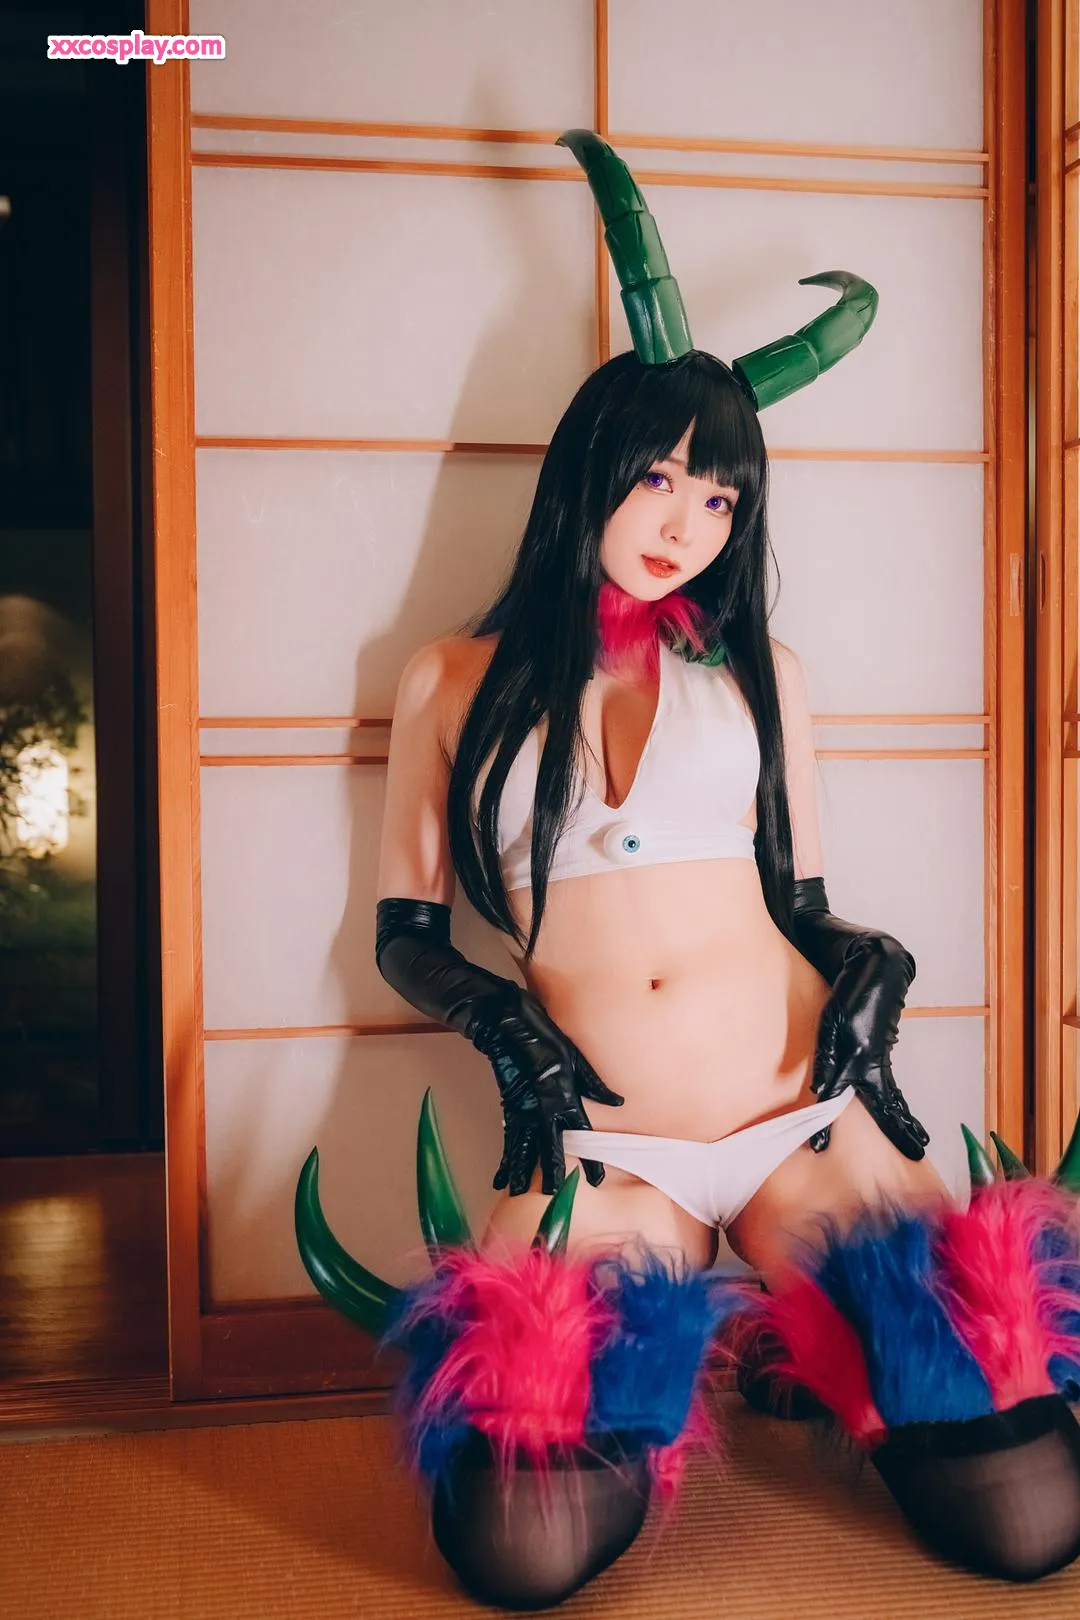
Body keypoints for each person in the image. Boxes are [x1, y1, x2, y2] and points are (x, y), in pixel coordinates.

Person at [297, 133, 1080, 1606]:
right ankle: (776, 1348)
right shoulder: (450, 679)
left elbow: (805, 904)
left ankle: (820, 1352)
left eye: (719, 500)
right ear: (589, 471)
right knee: (515, 1545)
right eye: (660, 479)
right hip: (606, 1146)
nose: (685, 525)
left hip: (807, 1114)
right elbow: (405, 929)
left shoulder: (764, 671)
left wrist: (876, 962)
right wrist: (502, 1024)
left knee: (1031, 1512)